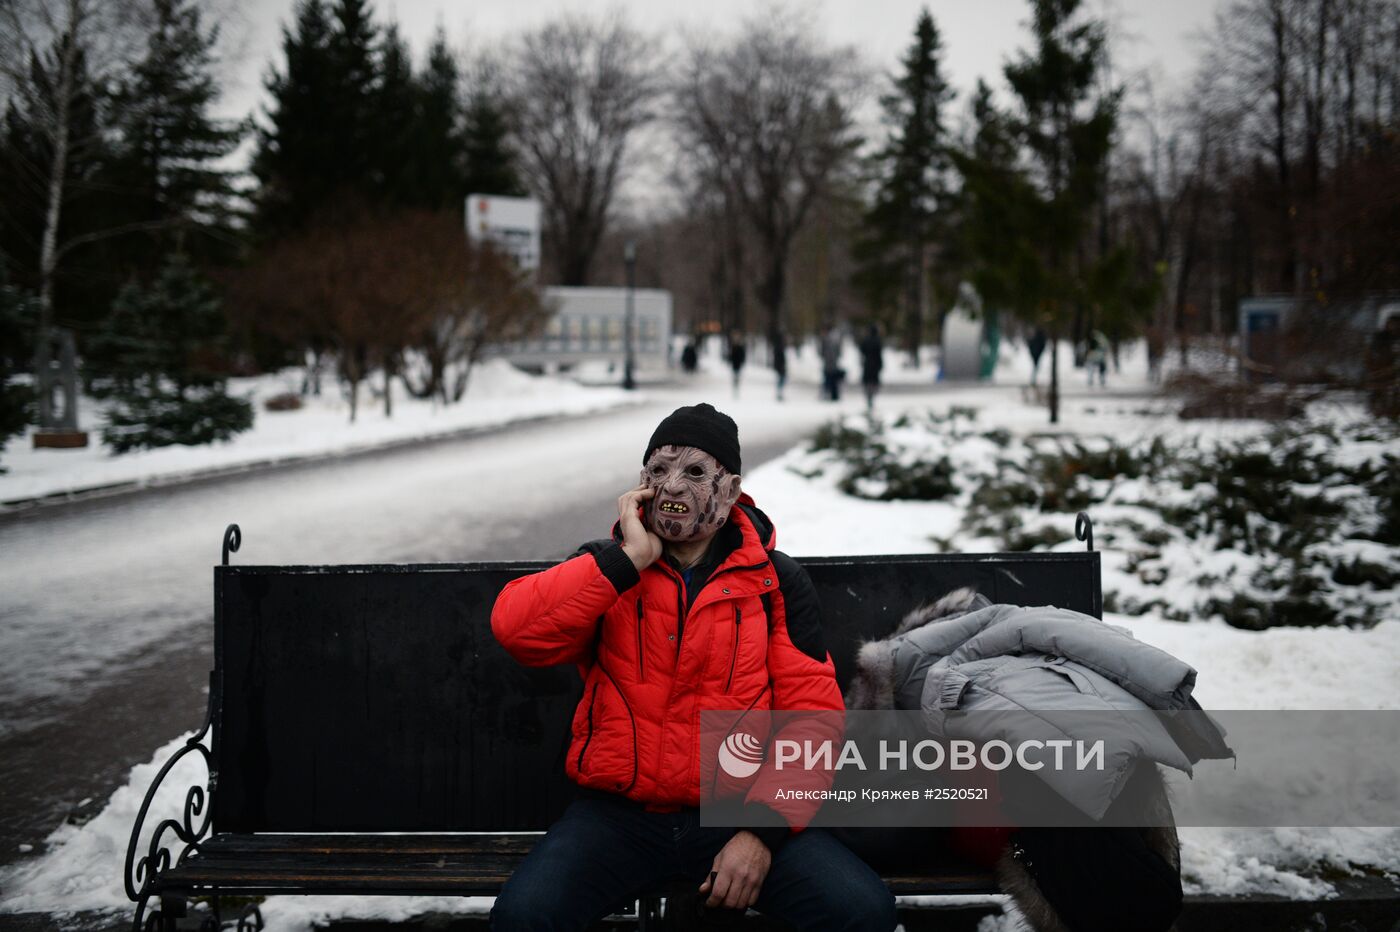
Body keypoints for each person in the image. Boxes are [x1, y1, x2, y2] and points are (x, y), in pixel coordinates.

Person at [489, 404, 896, 932]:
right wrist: (624, 562)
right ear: (640, 485)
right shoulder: (608, 567)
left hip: (736, 814)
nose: (672, 487)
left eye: (695, 473)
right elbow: (517, 631)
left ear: (729, 490)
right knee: (524, 919)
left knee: (861, 912)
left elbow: (813, 722)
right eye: (658, 471)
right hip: (617, 817)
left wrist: (758, 835)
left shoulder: (775, 583)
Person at [858, 324, 884, 412]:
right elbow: (879, 354)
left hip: (867, 364)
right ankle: (871, 396)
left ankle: (869, 396)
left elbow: (861, 350)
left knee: (868, 382)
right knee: (873, 382)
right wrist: (880, 364)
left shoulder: (866, 340)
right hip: (874, 365)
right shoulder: (877, 341)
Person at [820, 327, 844, 402]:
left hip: (829, 364)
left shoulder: (826, 341)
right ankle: (832, 395)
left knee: (828, 380)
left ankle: (828, 394)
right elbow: (839, 353)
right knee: (832, 380)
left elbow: (822, 353)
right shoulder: (834, 342)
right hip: (832, 364)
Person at [726, 331, 747, 397]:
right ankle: (735, 388)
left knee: (737, 376)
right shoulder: (733, 348)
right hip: (735, 365)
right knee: (735, 376)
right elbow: (731, 356)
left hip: (738, 365)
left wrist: (742, 361)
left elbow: (742, 356)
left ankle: (736, 387)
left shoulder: (740, 347)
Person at [772, 330, 788, 402]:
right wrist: (781, 365)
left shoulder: (778, 346)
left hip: (780, 366)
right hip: (780, 366)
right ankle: (779, 393)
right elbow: (779, 357)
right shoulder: (779, 346)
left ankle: (780, 393)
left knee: (781, 379)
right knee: (781, 379)